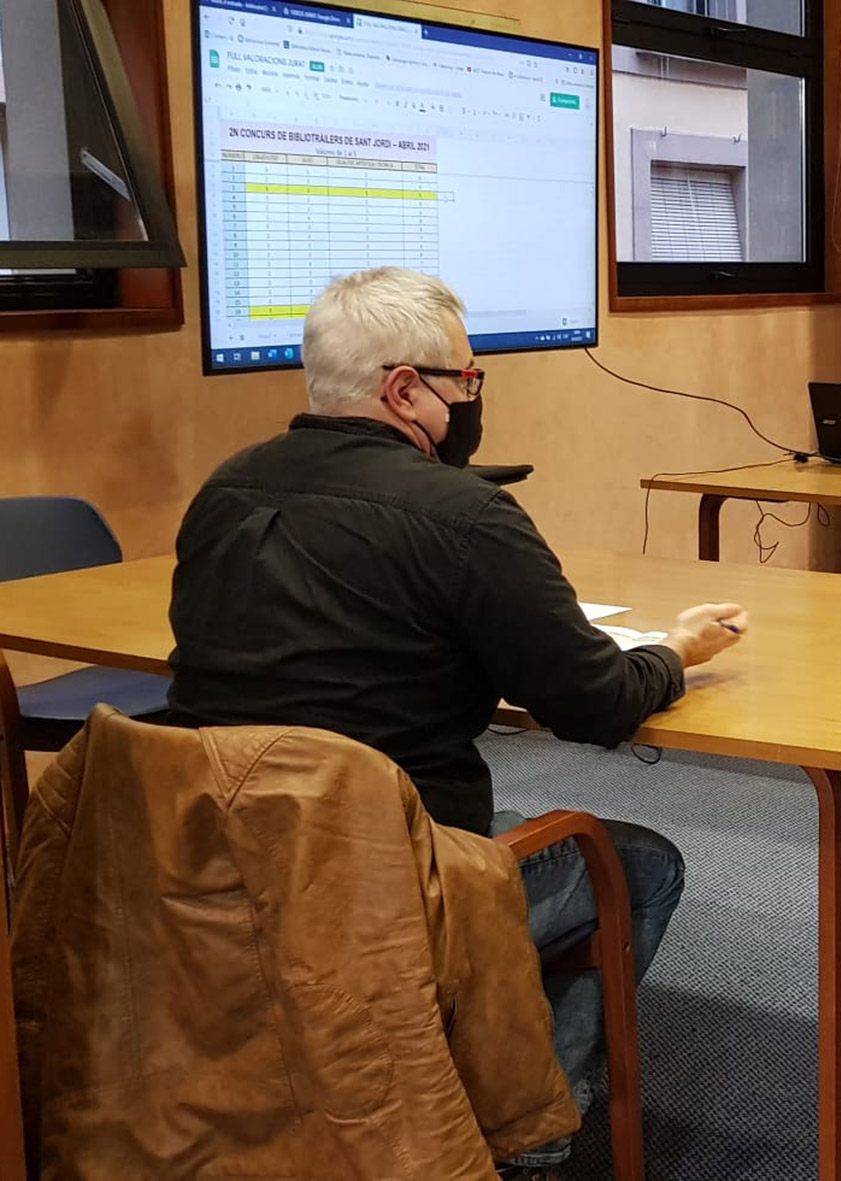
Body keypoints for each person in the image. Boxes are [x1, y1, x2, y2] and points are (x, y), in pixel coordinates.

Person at [165, 267, 747, 1175]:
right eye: (466, 381)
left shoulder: (225, 493)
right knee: (634, 864)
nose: (474, 399)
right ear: (405, 389)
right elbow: (594, 701)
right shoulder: (466, 514)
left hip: (211, 867)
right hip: (392, 879)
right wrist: (677, 653)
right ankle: (528, 1128)